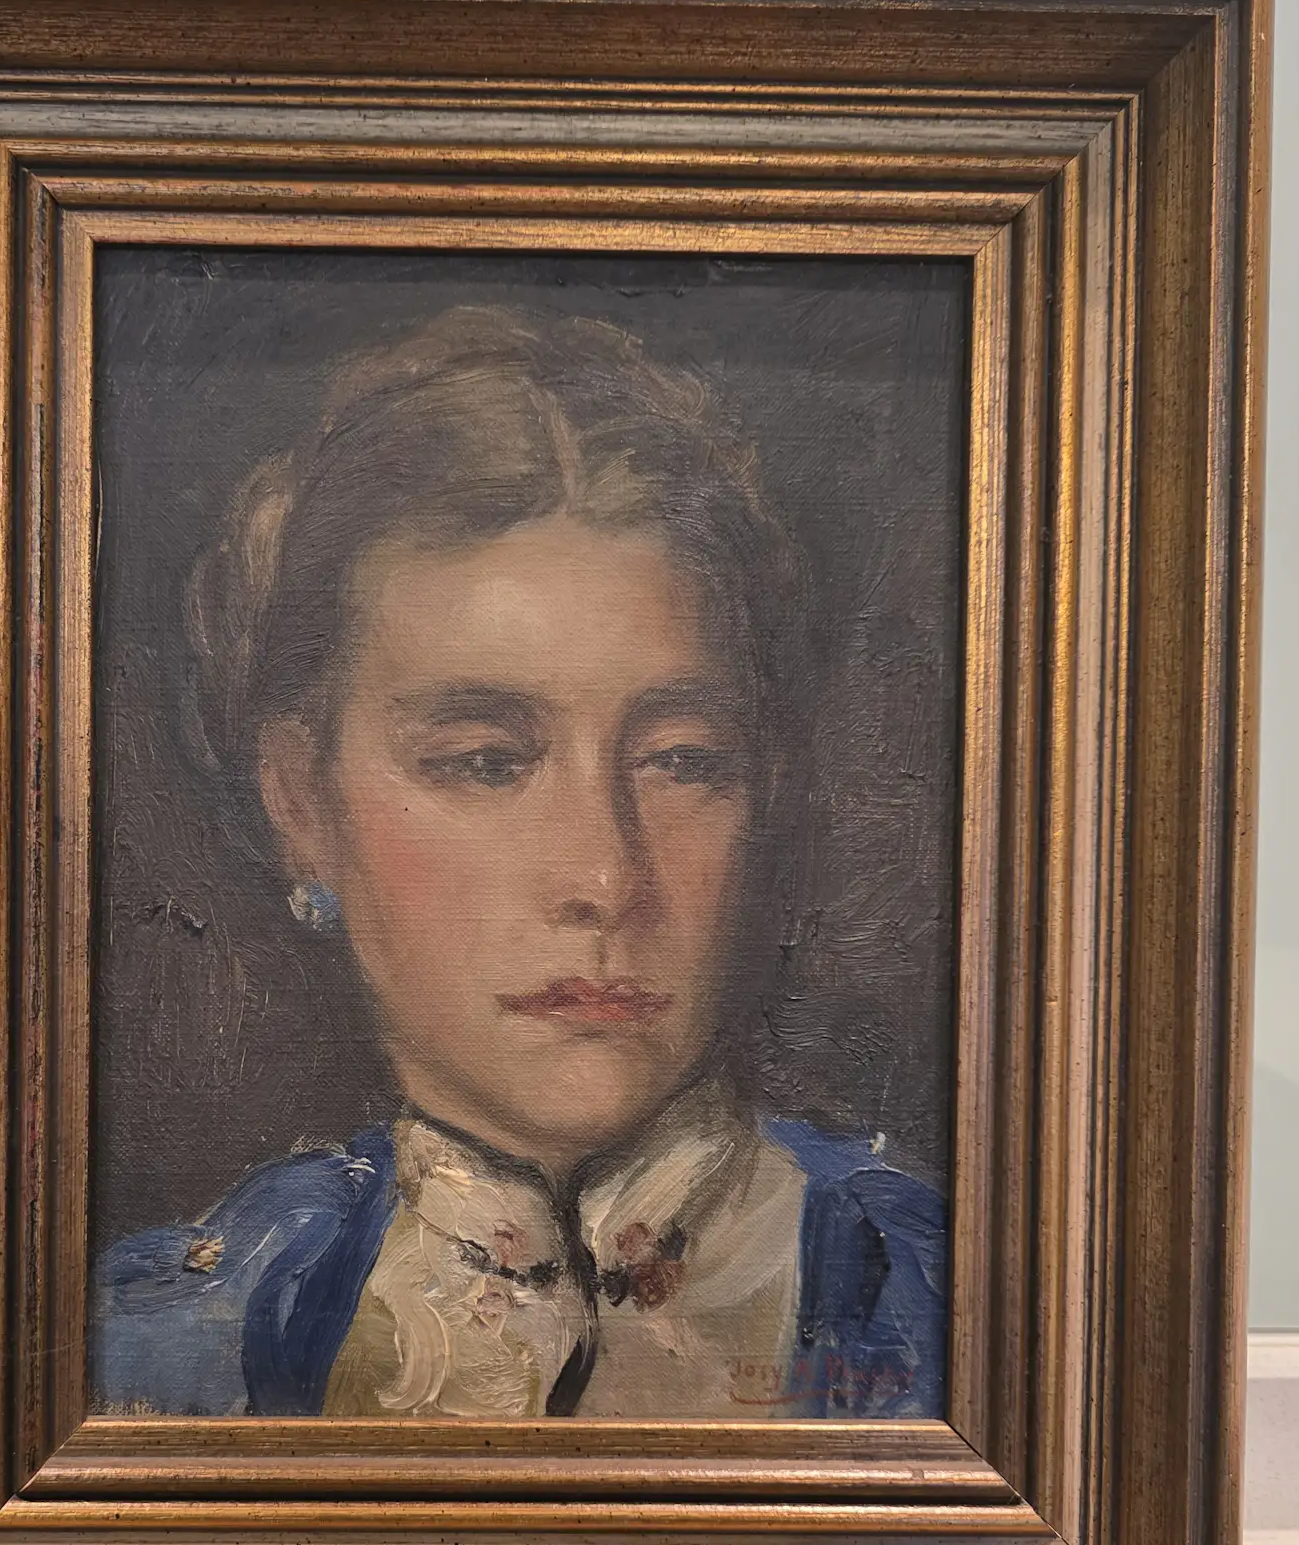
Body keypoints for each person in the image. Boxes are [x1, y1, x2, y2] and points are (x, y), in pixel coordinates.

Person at [94, 305, 944, 1420]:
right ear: (299, 801)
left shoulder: (951, 1300)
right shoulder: (157, 1344)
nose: (604, 878)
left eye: (681, 761)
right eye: (485, 763)